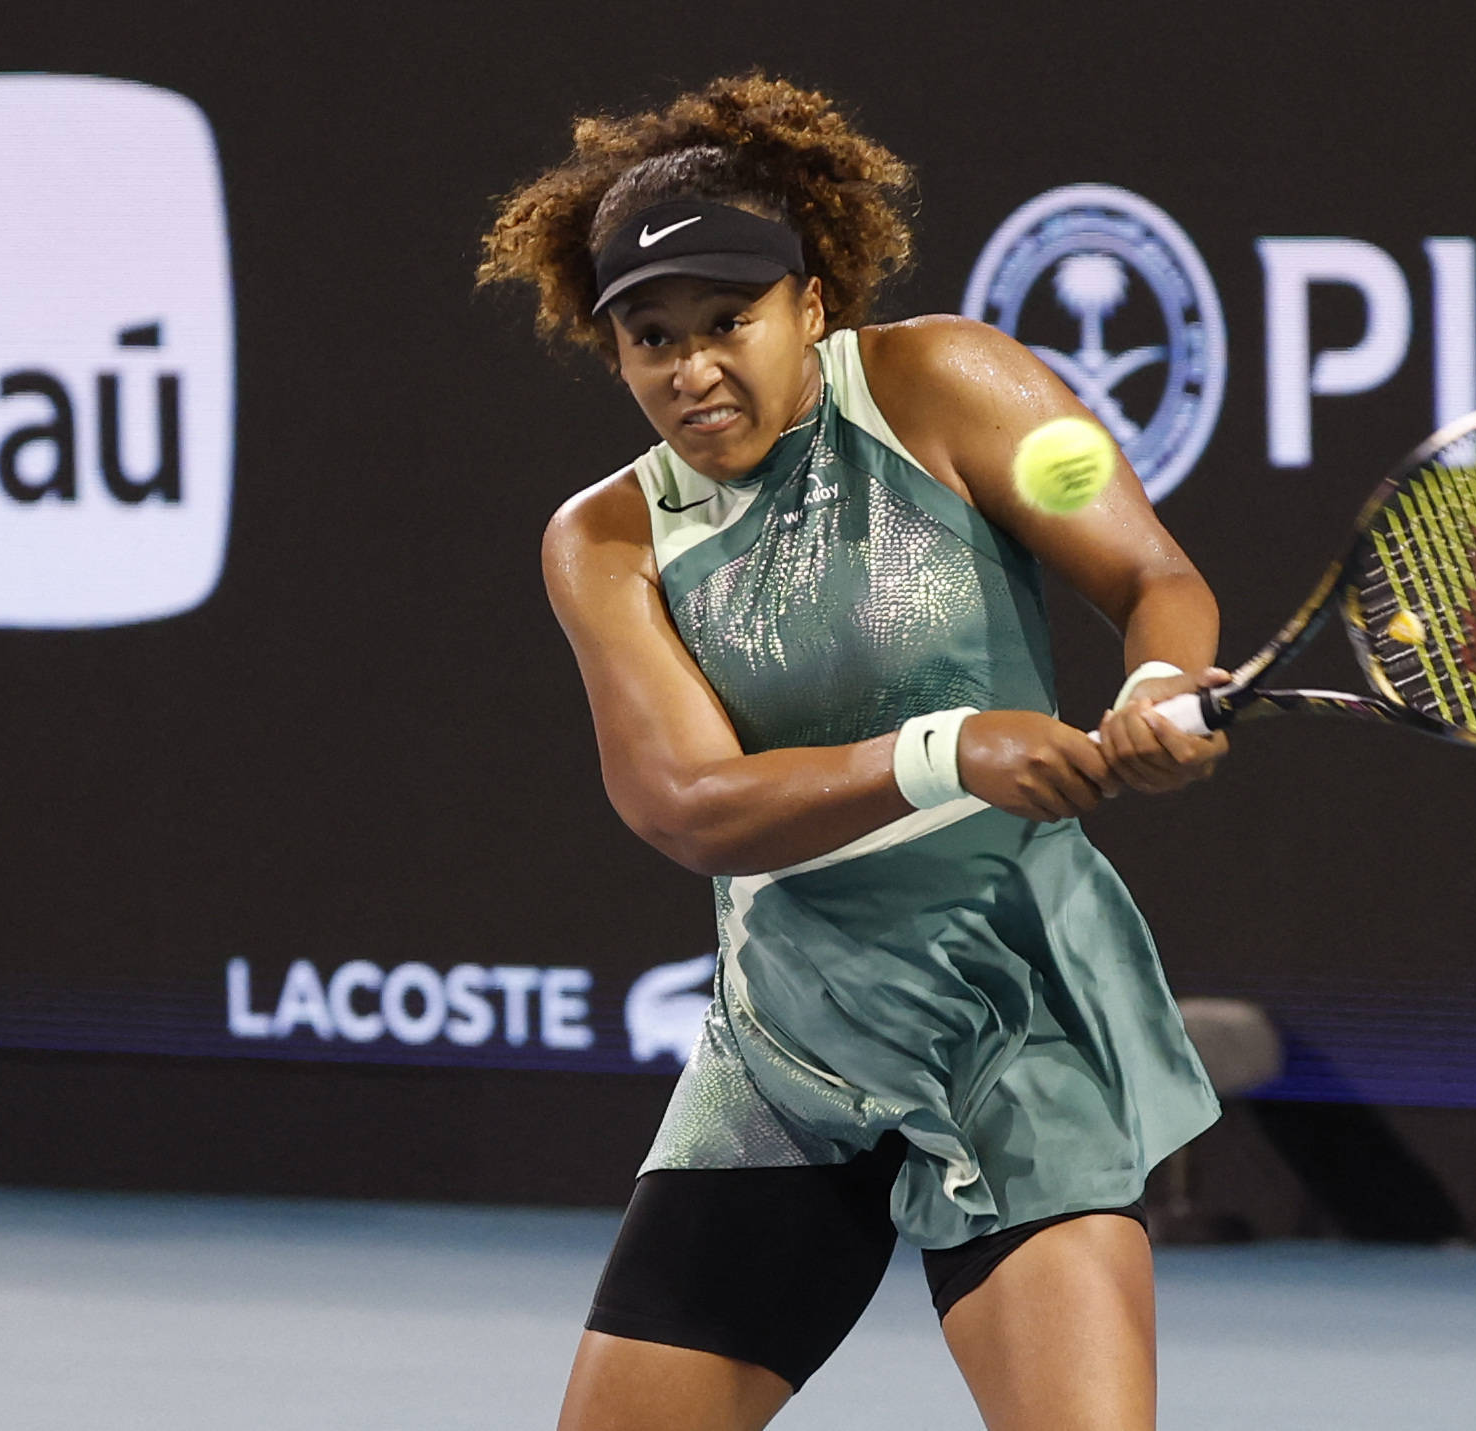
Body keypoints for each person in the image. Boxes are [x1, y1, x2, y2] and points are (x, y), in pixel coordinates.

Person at [479, 73, 1230, 1431]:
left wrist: (1160, 682)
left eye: (729, 321)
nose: (692, 368)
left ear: (811, 306)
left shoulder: (948, 382)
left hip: (1015, 1021)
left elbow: (1151, 579)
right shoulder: (604, 540)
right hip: (790, 1054)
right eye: (652, 337)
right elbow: (687, 804)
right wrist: (949, 752)